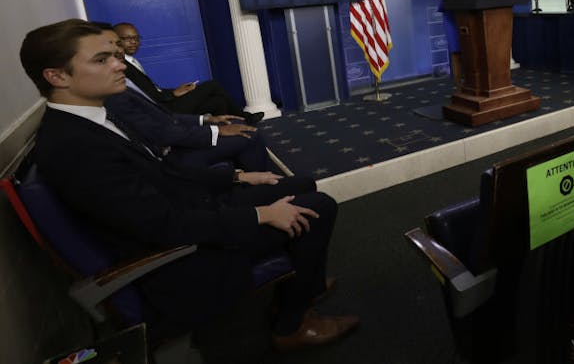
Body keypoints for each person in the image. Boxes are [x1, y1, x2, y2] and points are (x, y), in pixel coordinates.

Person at [20, 19, 358, 349]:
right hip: (178, 257)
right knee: (318, 208)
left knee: (301, 184)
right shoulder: (74, 146)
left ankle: (305, 286)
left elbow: (163, 173)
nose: (119, 64)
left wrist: (237, 176)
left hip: (189, 211)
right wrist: (261, 214)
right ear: (57, 76)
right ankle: (293, 322)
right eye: (101, 59)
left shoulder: (93, 119)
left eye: (114, 56)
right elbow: (163, 226)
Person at [92, 23, 269, 172]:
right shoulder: (113, 95)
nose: (120, 53)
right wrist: (214, 130)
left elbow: (153, 101)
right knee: (243, 128)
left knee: (219, 104)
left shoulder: (123, 76)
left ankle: (239, 171)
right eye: (108, 52)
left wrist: (206, 119)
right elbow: (159, 130)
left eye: (119, 45)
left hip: (170, 122)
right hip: (169, 153)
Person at [113, 22, 262, 124]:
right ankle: (245, 117)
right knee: (212, 85)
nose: (133, 42)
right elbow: (148, 97)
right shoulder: (122, 65)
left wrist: (175, 91)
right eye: (127, 39)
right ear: (116, 40)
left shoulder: (131, 61)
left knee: (218, 102)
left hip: (166, 101)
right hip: (164, 109)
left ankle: (224, 129)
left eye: (136, 38)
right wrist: (173, 95)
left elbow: (152, 89)